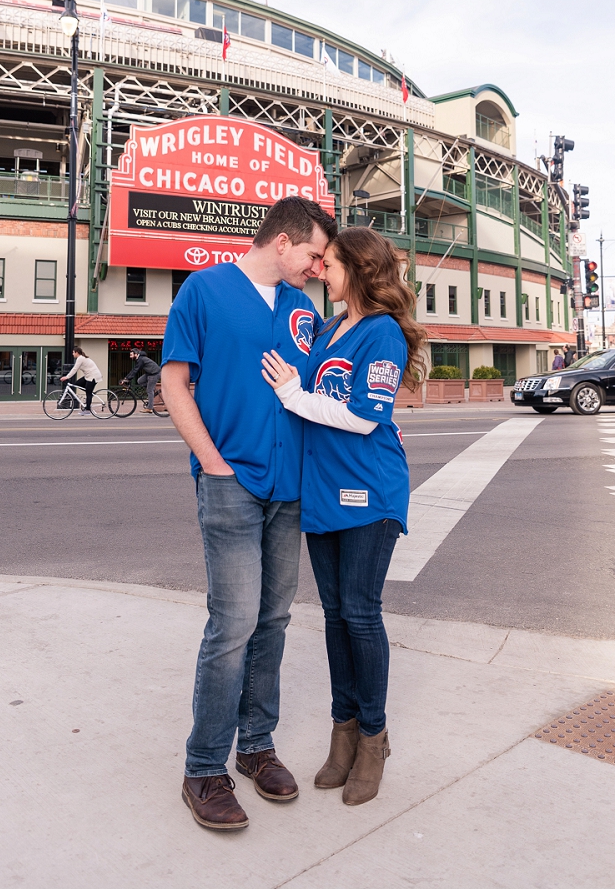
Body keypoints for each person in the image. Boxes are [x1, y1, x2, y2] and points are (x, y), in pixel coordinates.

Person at [161, 196, 336, 832]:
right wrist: (211, 461)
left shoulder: (303, 308)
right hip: (230, 481)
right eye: (314, 254)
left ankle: (256, 746)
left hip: (289, 488)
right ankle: (204, 767)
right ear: (283, 241)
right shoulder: (204, 291)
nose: (318, 267)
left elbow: (316, 392)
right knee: (232, 623)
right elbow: (174, 382)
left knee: (274, 621)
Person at [259, 227, 426, 805]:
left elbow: (361, 417)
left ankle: (374, 740)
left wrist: (292, 396)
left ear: (355, 269)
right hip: (324, 492)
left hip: (370, 491)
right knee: (333, 616)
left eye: (328, 264)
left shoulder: (382, 333)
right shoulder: (329, 328)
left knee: (360, 614)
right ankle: (343, 733)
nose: (319, 271)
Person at [60, 346, 102, 416]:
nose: (72, 354)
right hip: (88, 376)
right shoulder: (81, 358)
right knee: (77, 384)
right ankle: (90, 393)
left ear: (77, 352)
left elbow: (75, 369)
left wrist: (67, 377)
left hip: (93, 376)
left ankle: (88, 410)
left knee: (88, 393)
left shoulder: (80, 358)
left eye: (73, 352)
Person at [122, 347, 162, 413]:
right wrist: (127, 378)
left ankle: (149, 408)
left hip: (154, 374)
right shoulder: (139, 359)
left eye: (131, 355)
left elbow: (135, 370)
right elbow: (134, 369)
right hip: (149, 373)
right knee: (140, 381)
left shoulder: (141, 359)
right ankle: (152, 390)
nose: (130, 357)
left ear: (136, 354)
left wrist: (127, 378)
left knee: (149, 390)